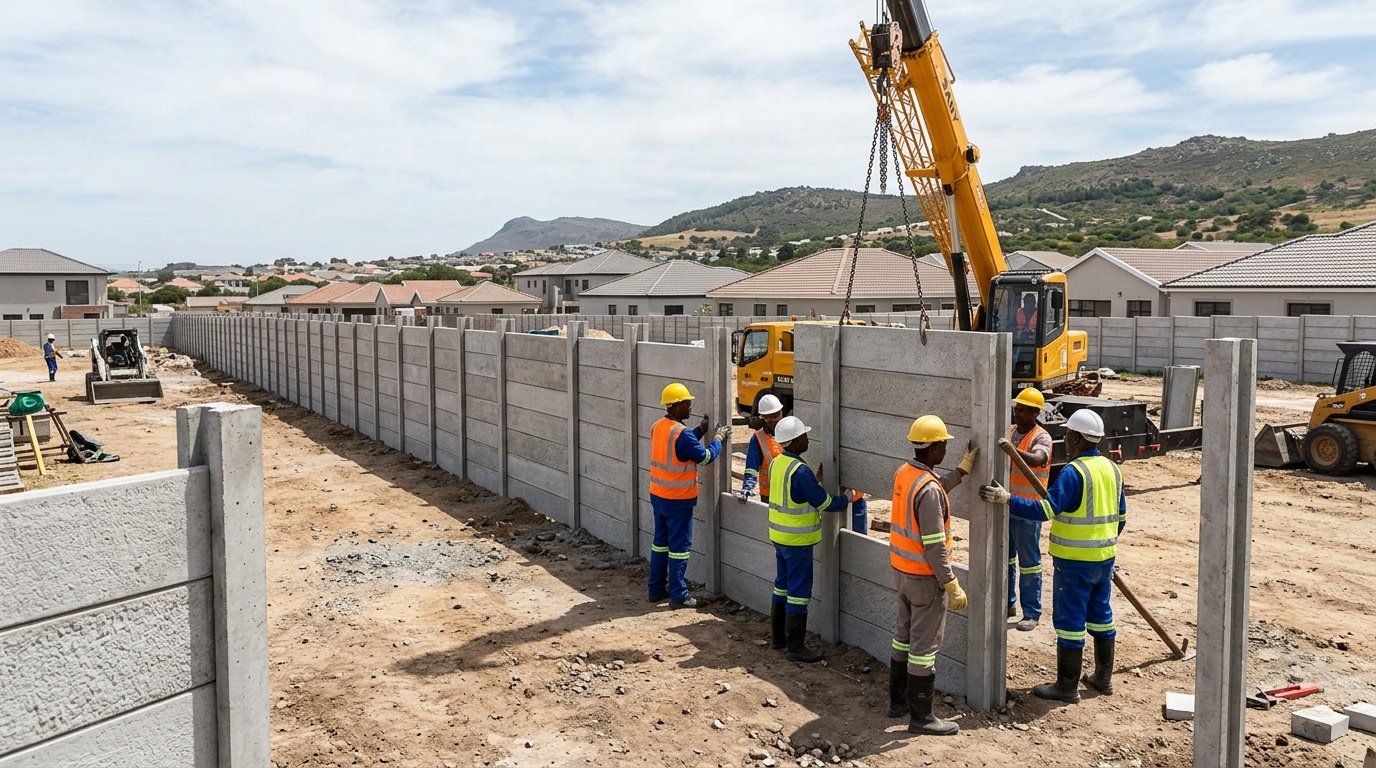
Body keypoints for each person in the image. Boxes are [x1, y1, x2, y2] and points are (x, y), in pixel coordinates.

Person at [979, 409, 1126, 703]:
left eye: (1067, 437)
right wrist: (1102, 543)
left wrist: (1007, 499)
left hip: (1074, 562)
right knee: (1101, 615)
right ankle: (1102, 678)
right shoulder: (1112, 469)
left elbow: (1044, 510)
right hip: (1104, 558)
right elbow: (1121, 517)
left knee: (1070, 620)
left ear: (1074, 436)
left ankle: (1066, 687)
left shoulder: (1074, 472)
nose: (1066, 443)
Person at [886, 415, 978, 735]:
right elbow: (935, 547)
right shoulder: (929, 489)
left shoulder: (905, 473)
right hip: (926, 579)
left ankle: (897, 703)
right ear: (935, 447)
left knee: (903, 636)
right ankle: (922, 717)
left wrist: (962, 472)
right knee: (924, 649)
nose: (945, 450)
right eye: (944, 445)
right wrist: (950, 584)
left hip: (902, 573)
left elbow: (934, 491)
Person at [766, 415, 849, 662]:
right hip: (797, 542)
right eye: (804, 436)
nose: (807, 439)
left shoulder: (778, 463)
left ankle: (778, 640)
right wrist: (848, 499)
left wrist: (816, 479)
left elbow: (796, 494)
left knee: (781, 586)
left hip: (779, 537)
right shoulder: (800, 471)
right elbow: (824, 503)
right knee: (799, 592)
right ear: (793, 441)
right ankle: (795, 647)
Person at [648, 382, 729, 609]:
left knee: (660, 544)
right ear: (675, 406)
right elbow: (703, 457)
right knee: (680, 548)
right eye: (687, 403)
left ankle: (655, 589)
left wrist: (701, 430)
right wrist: (719, 439)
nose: (690, 407)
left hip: (658, 495)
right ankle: (679, 594)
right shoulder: (681, 433)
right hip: (678, 499)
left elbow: (679, 448)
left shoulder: (659, 426)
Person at [1007, 388, 1053, 632]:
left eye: (1023, 410)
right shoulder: (1012, 431)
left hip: (1028, 509)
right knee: (1005, 559)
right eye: (1017, 408)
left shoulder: (1042, 437)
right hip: (1006, 504)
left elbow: (1037, 459)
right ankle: (1007, 603)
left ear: (1036, 413)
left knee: (1030, 563)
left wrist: (1011, 451)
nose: (1018, 413)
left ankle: (1032, 612)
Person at [738, 394, 785, 502]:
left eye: (776, 415)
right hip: (769, 496)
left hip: (792, 494)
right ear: (763, 417)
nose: (773, 420)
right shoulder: (758, 439)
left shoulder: (791, 432)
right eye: (768, 417)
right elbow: (751, 467)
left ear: (781, 413)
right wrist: (748, 487)